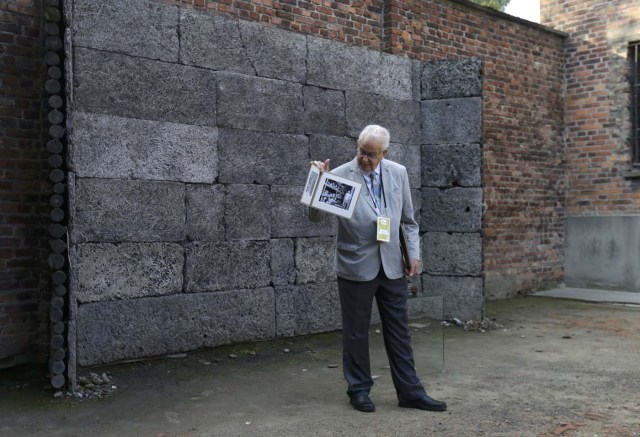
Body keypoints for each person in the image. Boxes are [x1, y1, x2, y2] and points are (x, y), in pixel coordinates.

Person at [309, 125, 447, 413]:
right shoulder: (341, 176)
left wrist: (414, 255)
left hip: (393, 265)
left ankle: (410, 391)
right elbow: (315, 216)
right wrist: (318, 181)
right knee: (356, 332)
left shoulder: (398, 172)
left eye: (371, 154)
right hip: (355, 265)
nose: (364, 159)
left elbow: (408, 221)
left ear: (385, 153)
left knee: (399, 331)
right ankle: (358, 390)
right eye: (361, 151)